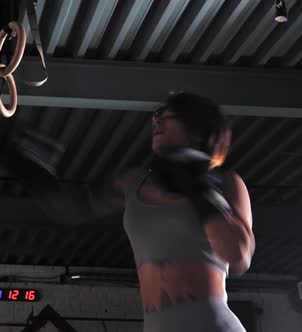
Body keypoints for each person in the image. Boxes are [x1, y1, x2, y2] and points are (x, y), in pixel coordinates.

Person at [109, 92, 255, 331]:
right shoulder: (136, 182)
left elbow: (239, 256)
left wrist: (198, 188)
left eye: (168, 116)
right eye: (157, 116)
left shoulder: (227, 183)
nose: (157, 122)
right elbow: (73, 211)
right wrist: (35, 176)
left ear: (197, 129)